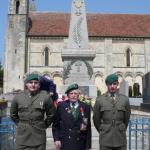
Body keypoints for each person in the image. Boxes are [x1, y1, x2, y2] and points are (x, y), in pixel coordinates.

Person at [10, 73, 55, 150]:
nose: (33, 85)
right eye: (30, 82)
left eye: (36, 83)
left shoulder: (45, 97)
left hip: (39, 136)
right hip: (22, 137)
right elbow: (13, 114)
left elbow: (51, 115)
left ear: (39, 85)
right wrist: (22, 124)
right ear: (26, 84)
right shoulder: (18, 97)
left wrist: (43, 125)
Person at [93, 74, 131, 150]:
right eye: (110, 84)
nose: (112, 86)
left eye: (114, 84)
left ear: (117, 84)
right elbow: (96, 119)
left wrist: (121, 128)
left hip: (120, 138)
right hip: (105, 138)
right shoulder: (100, 100)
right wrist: (102, 129)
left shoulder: (125, 99)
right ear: (107, 85)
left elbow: (126, 118)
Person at [52, 83, 91, 150]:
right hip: (65, 142)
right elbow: (55, 125)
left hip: (80, 143)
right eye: (71, 93)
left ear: (78, 94)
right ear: (68, 95)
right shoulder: (61, 106)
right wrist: (56, 139)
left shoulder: (85, 107)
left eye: (75, 93)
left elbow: (86, 127)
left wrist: (88, 146)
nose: (73, 95)